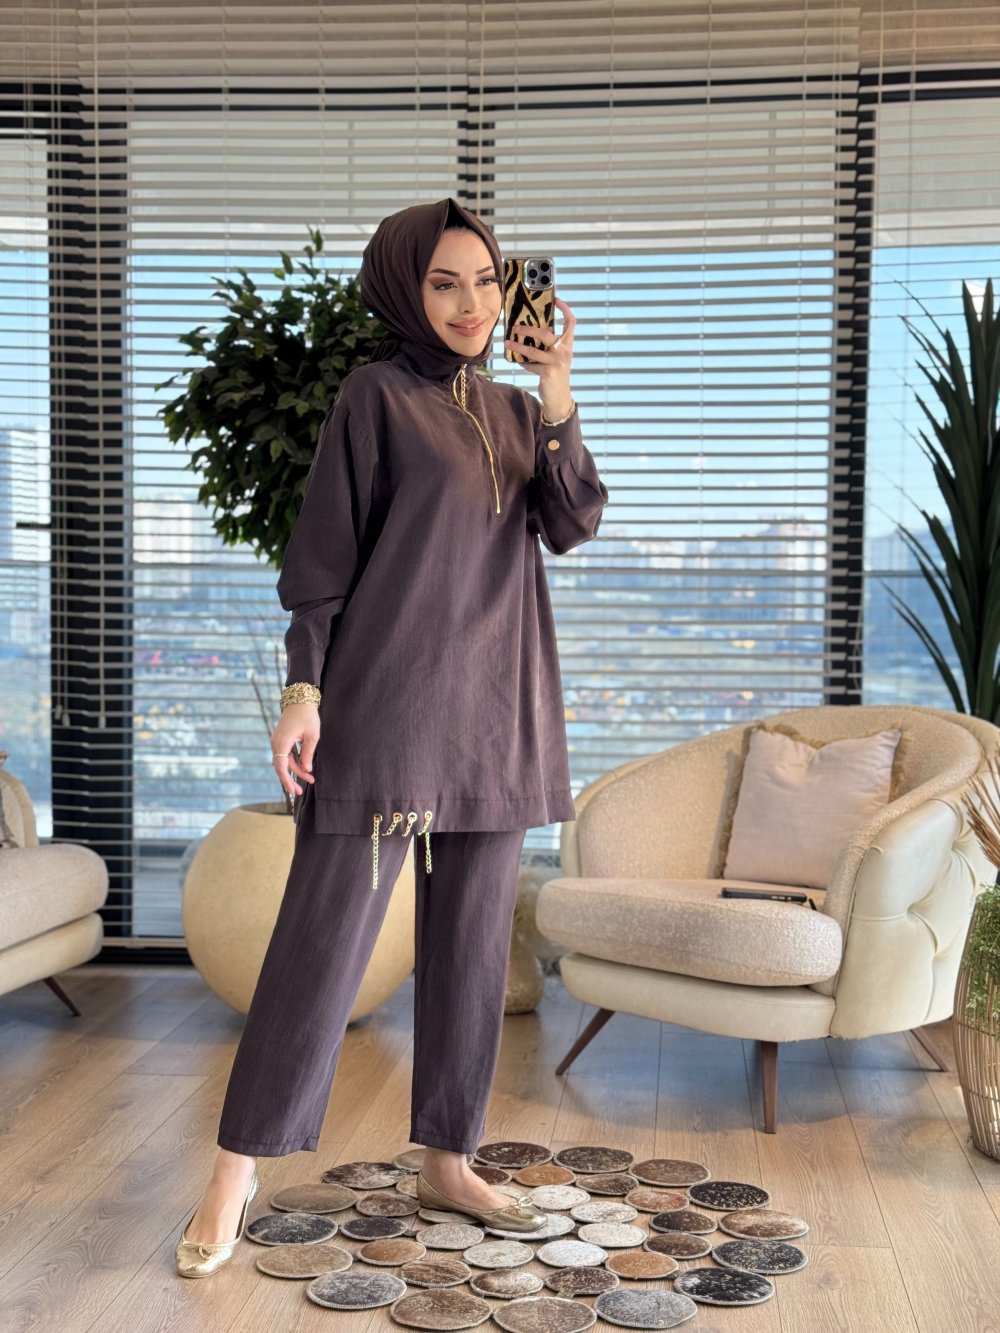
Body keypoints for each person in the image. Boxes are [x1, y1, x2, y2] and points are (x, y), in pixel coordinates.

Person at [175, 197, 609, 1277]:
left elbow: (572, 520)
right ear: (403, 289)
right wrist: (303, 691)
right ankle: (232, 1170)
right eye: (444, 282)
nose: (471, 303)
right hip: (387, 713)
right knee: (319, 949)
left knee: (470, 953)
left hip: (497, 721)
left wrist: (556, 389)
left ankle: (448, 1158)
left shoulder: (518, 413)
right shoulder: (374, 397)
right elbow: (321, 563)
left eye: (486, 280)